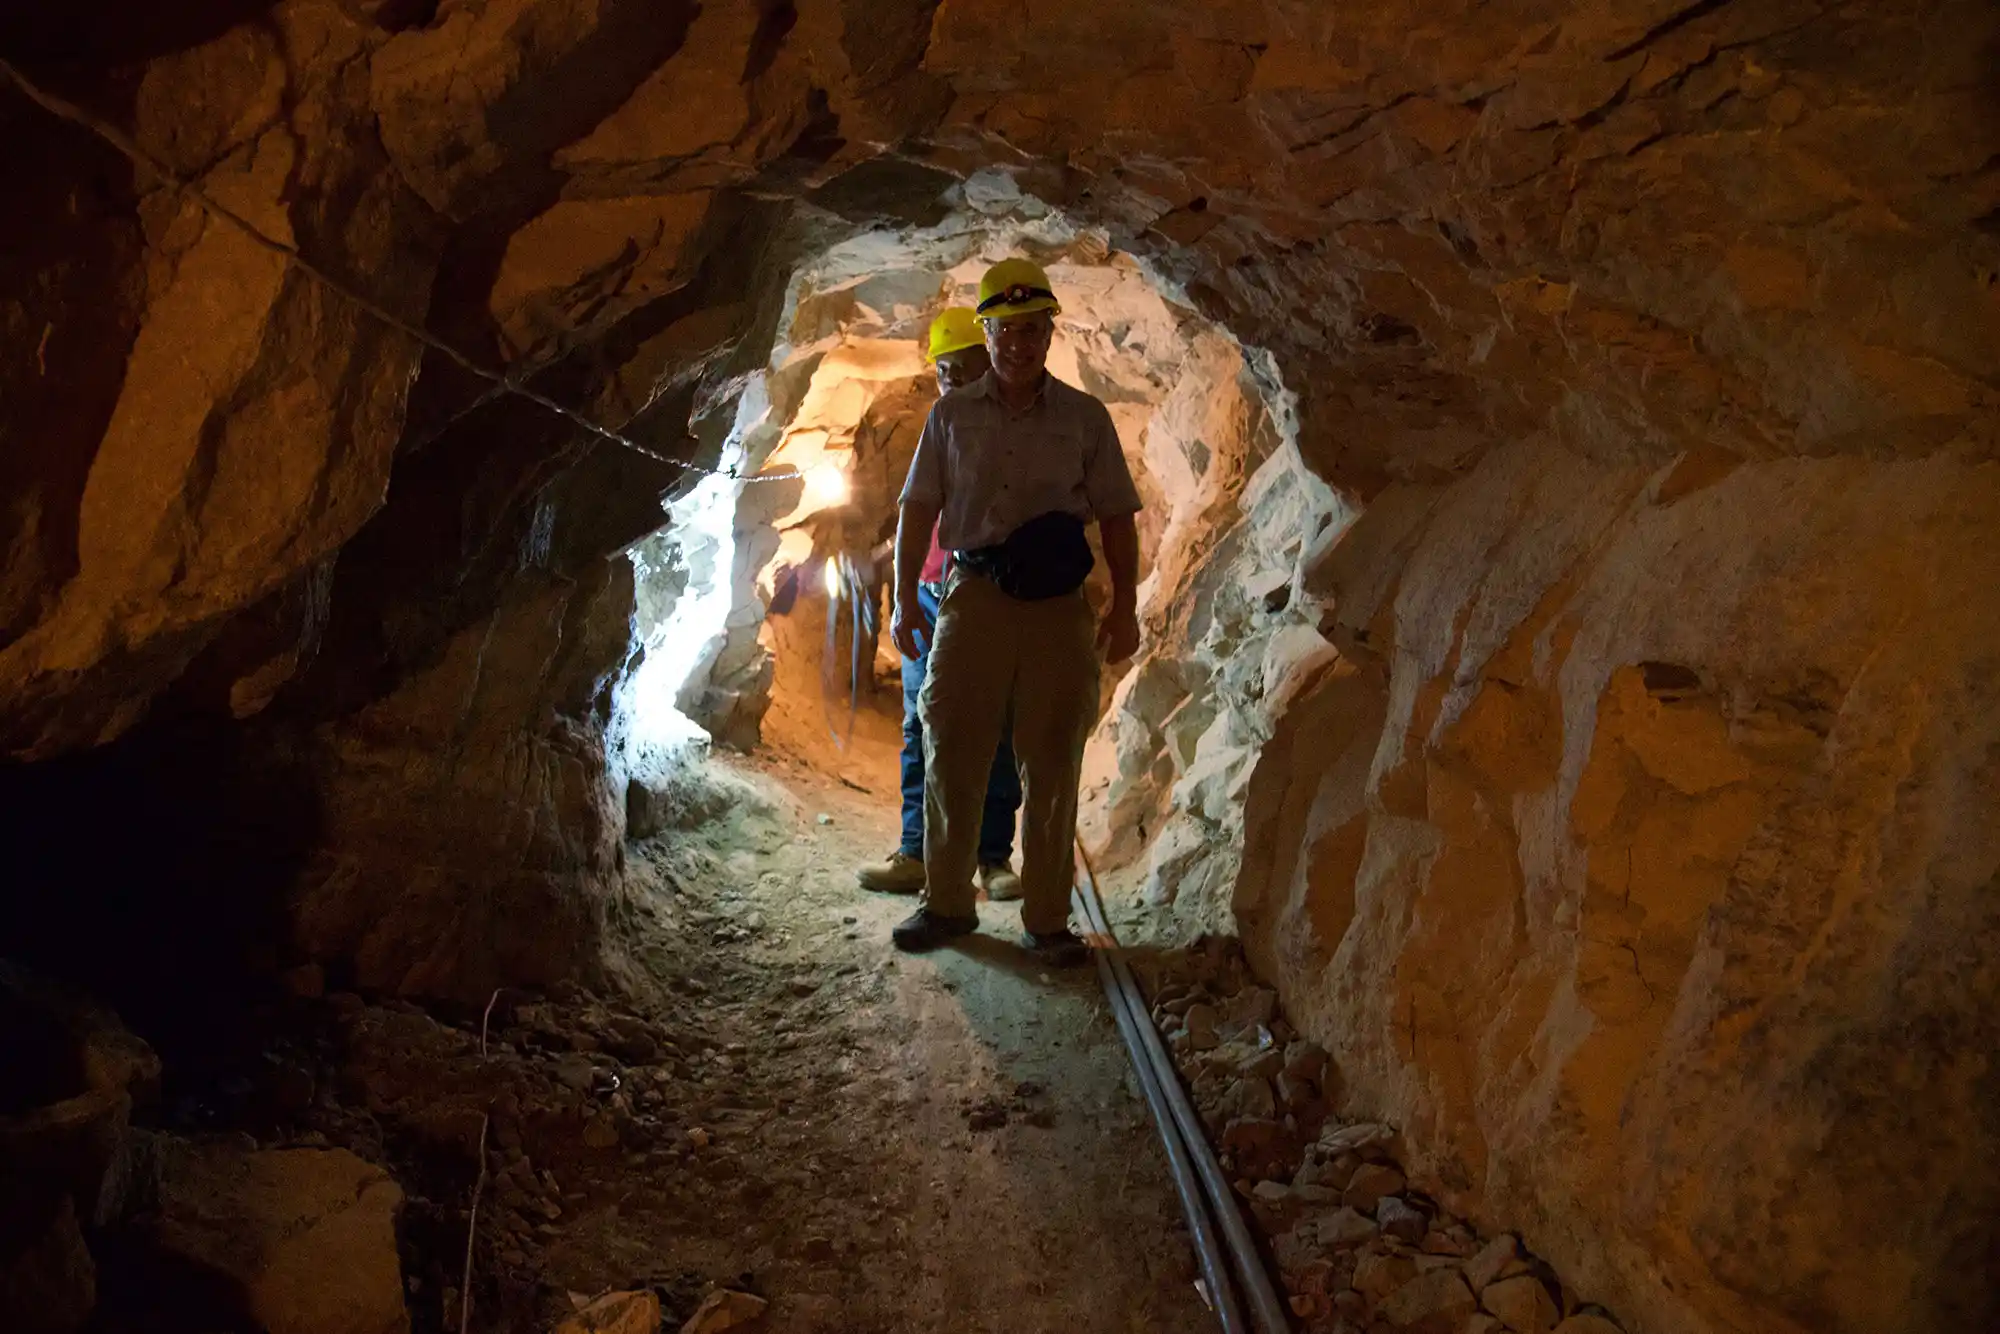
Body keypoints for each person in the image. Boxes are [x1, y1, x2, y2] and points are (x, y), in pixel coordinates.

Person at [888, 259, 1142, 966]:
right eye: (1004, 329)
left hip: (1058, 607)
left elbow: (1118, 516)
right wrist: (906, 595)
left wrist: (1124, 606)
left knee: (1054, 759)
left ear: (1048, 334)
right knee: (953, 747)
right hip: (973, 597)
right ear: (988, 332)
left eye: (1031, 330)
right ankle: (945, 903)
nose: (1017, 344)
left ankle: (1049, 918)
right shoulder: (949, 416)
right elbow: (918, 509)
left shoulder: (1084, 419)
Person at [856, 310, 1024, 902]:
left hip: (983, 599)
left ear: (988, 364)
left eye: (962, 367)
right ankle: (915, 852)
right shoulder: (940, 425)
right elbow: (916, 511)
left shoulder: (1008, 432)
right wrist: (897, 582)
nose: (951, 379)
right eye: (943, 370)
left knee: (995, 729)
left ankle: (991, 858)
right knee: (917, 725)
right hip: (931, 597)